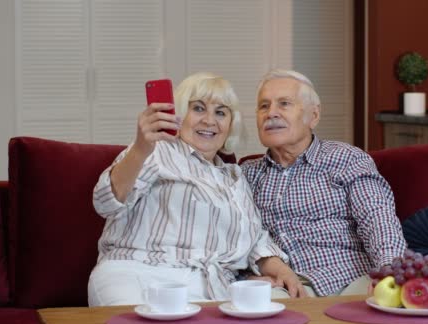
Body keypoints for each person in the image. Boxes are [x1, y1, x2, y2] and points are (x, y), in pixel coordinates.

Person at [88, 72, 305, 306]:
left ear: (231, 125)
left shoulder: (233, 177)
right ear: (179, 115)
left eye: (220, 112)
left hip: (208, 287)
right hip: (137, 273)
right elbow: (106, 203)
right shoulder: (158, 151)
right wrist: (141, 148)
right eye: (199, 109)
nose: (210, 121)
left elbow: (254, 240)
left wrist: (282, 270)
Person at [241, 69, 407, 297]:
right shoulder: (246, 175)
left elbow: (377, 218)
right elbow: (235, 238)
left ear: (314, 116)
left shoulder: (346, 158)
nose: (271, 113)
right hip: (289, 285)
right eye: (264, 106)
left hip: (351, 278)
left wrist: (390, 272)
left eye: (284, 104)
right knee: (257, 303)